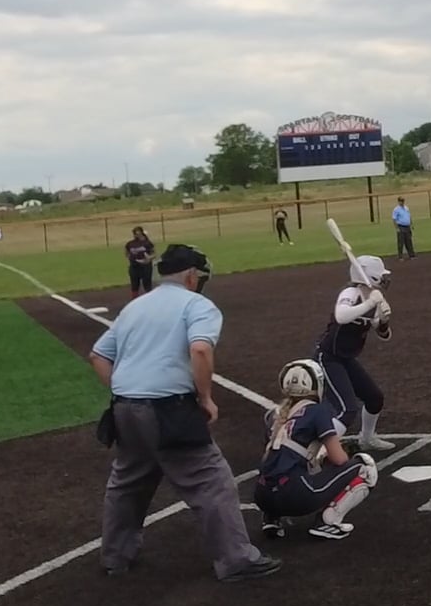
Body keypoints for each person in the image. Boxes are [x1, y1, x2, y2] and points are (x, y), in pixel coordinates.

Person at [90, 243, 280, 582]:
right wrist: (205, 398)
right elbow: (201, 349)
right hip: (168, 409)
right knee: (211, 480)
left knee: (128, 482)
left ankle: (115, 557)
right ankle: (236, 559)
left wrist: (126, 392)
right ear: (192, 275)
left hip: (124, 408)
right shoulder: (198, 305)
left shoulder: (136, 306)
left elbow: (98, 356)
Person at [252, 358, 380, 541]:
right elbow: (339, 459)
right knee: (365, 466)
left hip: (262, 496)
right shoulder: (317, 411)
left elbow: (276, 457)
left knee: (283, 468)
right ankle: (327, 522)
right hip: (295, 496)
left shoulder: (273, 415)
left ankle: (271, 519)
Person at [313, 253, 396, 452]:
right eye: (380, 275)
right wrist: (369, 304)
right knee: (347, 410)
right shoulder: (351, 293)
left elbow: (384, 335)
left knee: (374, 398)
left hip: (346, 358)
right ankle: (314, 452)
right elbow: (341, 316)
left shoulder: (375, 296)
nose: (384, 279)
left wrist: (383, 322)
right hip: (328, 357)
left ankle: (366, 439)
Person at [123, 227, 155, 297]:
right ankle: (134, 298)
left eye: (139, 233)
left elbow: (153, 253)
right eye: (136, 233)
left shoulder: (147, 243)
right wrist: (130, 258)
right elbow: (126, 252)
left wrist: (149, 258)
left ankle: (149, 298)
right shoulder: (130, 243)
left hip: (145, 266)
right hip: (134, 266)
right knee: (134, 284)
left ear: (142, 233)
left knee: (147, 284)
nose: (137, 235)